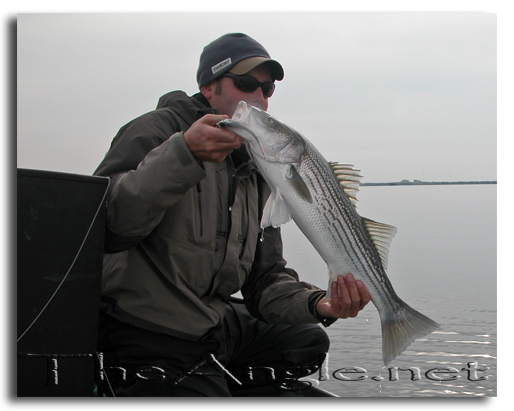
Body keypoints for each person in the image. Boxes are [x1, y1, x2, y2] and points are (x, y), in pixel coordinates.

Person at [94, 32, 371, 397]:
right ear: (209, 87)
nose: (258, 97)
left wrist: (320, 304)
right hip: (143, 327)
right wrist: (185, 154)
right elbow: (108, 225)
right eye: (245, 83)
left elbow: (264, 279)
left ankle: (217, 378)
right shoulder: (155, 130)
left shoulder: (257, 166)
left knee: (308, 341)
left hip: (212, 323)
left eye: (268, 89)